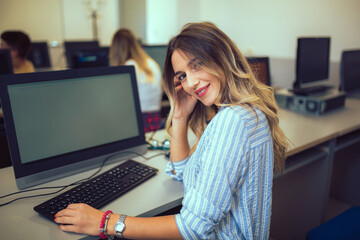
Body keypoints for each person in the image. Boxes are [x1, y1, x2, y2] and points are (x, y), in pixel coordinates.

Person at [55, 22, 289, 239]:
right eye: (182, 76)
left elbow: (192, 227)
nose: (191, 83)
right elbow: (184, 174)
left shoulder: (233, 121)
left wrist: (104, 221)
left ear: (221, 57)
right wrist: (179, 115)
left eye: (196, 65)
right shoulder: (246, 112)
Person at [109, 28, 163, 133]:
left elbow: (119, 102)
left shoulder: (127, 67)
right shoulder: (151, 63)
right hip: (155, 120)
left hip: (138, 122)